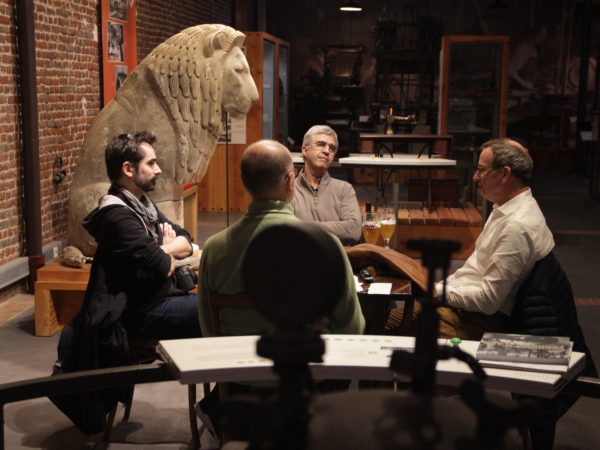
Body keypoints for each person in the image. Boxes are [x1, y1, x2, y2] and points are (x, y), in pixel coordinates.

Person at [388, 138, 554, 340]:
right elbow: (474, 271)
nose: (475, 177)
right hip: (465, 307)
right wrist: (438, 288)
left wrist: (438, 292)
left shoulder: (515, 227)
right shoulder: (506, 207)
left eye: (481, 170)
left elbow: (488, 301)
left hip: (480, 321)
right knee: (389, 311)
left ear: (504, 174)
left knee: (383, 323)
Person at [198, 138, 365, 337]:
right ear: (289, 180)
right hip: (306, 364)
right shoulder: (326, 245)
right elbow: (352, 327)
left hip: (236, 364)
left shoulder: (213, 248)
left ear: (244, 181)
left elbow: (208, 328)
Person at [81, 132, 201, 340]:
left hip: (161, 298)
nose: (158, 169)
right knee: (216, 309)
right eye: (151, 163)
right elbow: (163, 265)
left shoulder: (143, 205)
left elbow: (186, 239)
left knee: (220, 303)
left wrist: (163, 249)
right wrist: (165, 252)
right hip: (136, 312)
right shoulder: (116, 216)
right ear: (128, 169)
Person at [291, 125, 362, 245]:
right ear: (305, 150)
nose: (326, 151)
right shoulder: (289, 189)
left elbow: (353, 230)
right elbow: (286, 231)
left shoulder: (344, 189)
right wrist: (335, 228)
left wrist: (303, 226)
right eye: (320, 144)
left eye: (332, 148)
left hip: (337, 260)